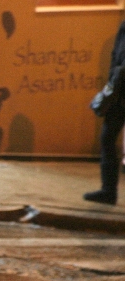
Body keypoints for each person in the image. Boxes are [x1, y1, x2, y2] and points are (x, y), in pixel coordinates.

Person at [84, 18, 125, 205]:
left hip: (119, 94)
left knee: (108, 138)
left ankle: (108, 191)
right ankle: (108, 191)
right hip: (119, 94)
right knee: (107, 138)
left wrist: (112, 85)